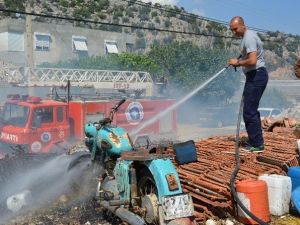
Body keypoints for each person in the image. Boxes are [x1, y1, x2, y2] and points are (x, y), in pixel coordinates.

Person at [228, 16, 268, 153]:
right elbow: (248, 58)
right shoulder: (248, 37)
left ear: (242, 25)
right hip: (254, 76)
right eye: (231, 30)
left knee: (249, 111)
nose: (234, 32)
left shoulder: (249, 38)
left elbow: (252, 61)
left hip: (257, 75)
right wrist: (238, 60)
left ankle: (257, 144)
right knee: (251, 109)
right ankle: (255, 141)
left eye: (235, 29)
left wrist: (237, 63)